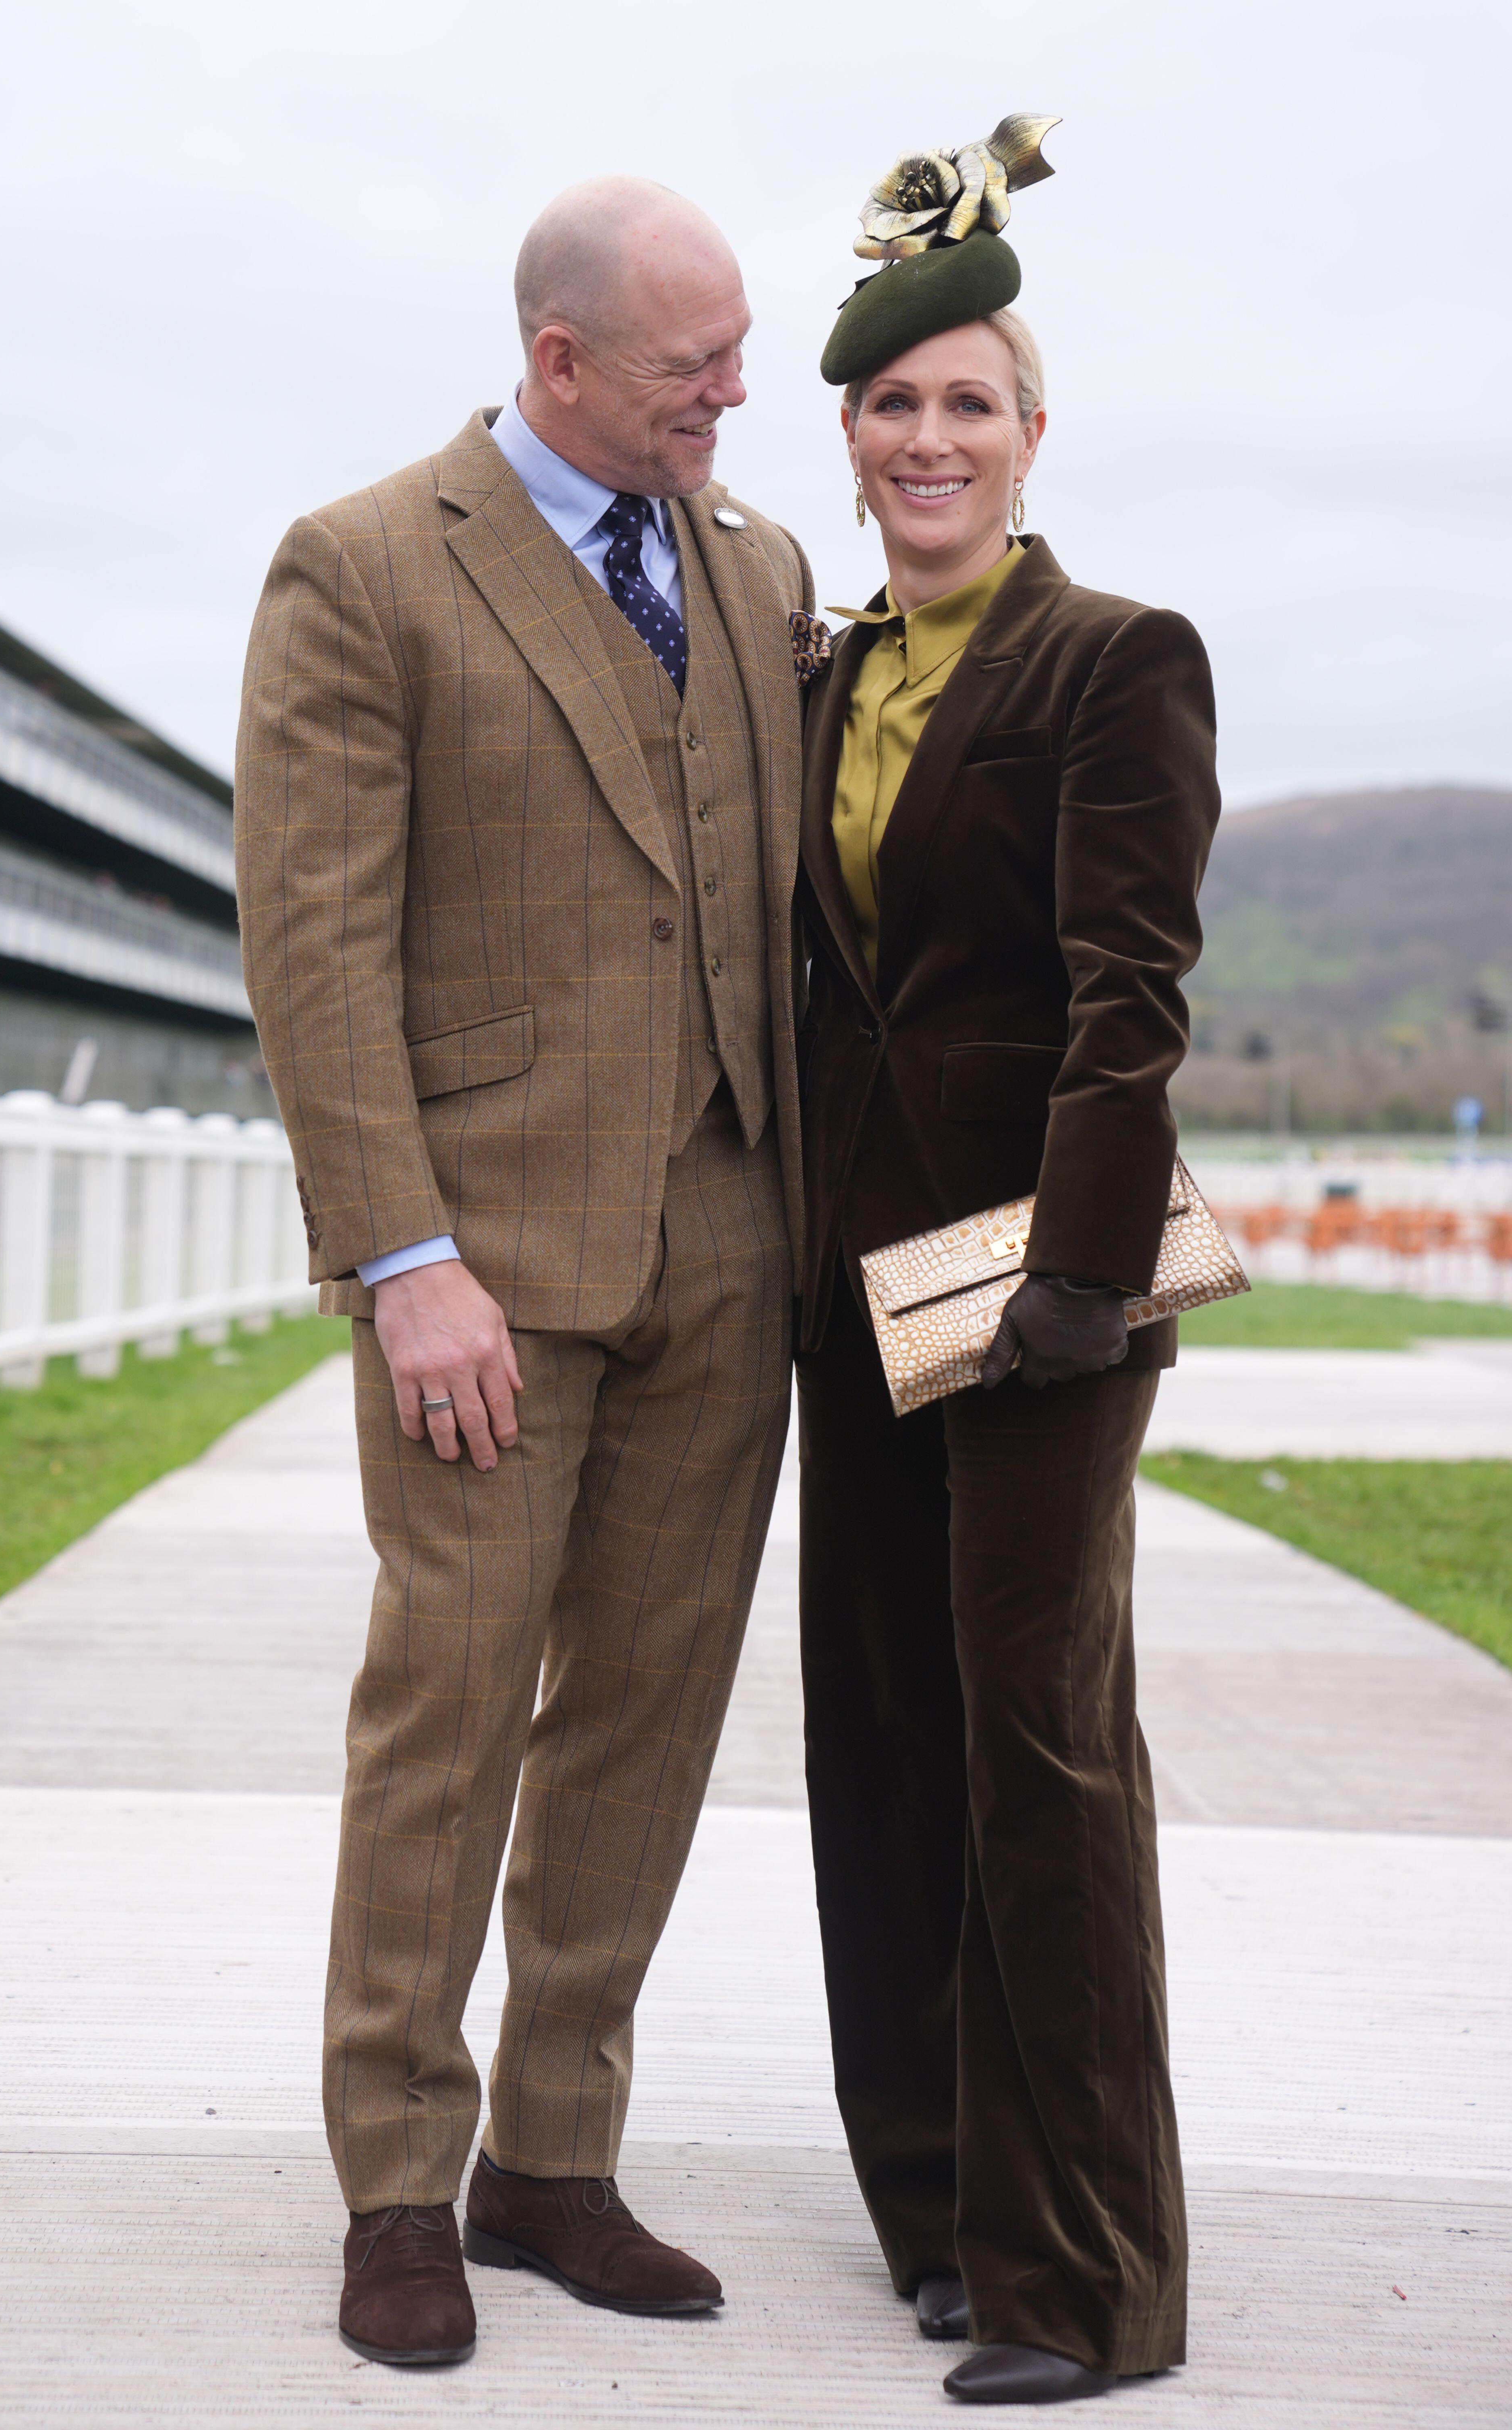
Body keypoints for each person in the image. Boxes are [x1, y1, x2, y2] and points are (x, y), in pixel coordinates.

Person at [234, 176, 815, 2368]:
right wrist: (401, 1260)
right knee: (451, 1716)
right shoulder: (368, 565)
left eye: (742, 352)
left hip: (730, 1248)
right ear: (561, 363)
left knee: (647, 1726)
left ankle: (553, 2156)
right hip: (479, 1268)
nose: (741, 396)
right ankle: (398, 2175)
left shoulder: (761, 571)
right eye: (698, 367)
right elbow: (316, 949)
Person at [794, 123, 1220, 2405]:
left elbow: (1129, 992)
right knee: (877, 1741)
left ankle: (1093, 2284)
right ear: (844, 436)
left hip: (1041, 1298)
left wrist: (1078, 1276)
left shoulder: (1118, 658)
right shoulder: (818, 668)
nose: (932, 437)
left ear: (1031, 434)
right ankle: (941, 2211)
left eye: (973, 400)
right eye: (894, 402)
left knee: (1041, 1754)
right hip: (848, 1291)